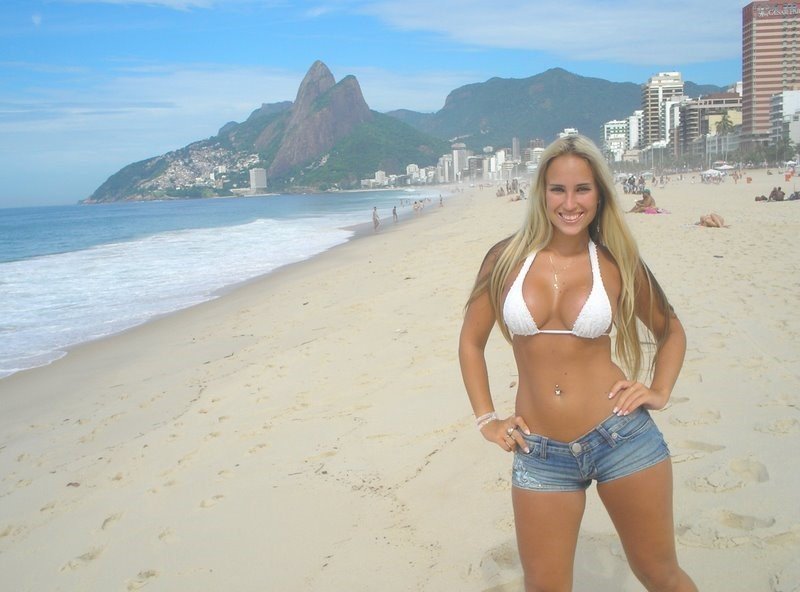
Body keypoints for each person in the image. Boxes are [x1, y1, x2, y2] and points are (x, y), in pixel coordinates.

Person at [459, 135, 697, 591]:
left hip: (621, 437)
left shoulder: (616, 261)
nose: (570, 203)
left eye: (582, 189)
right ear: (541, 193)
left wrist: (658, 390)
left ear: (600, 194)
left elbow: (671, 329)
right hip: (540, 452)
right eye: (558, 190)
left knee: (659, 574)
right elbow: (471, 343)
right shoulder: (504, 259)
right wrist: (487, 420)